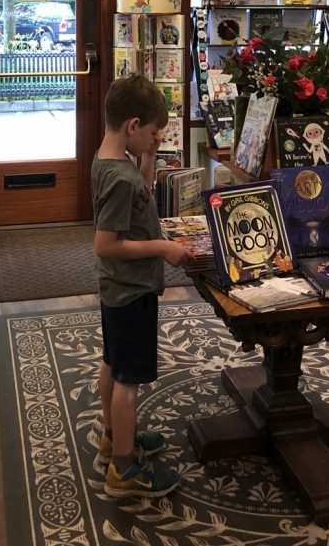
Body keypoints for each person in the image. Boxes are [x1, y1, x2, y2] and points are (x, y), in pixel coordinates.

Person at [93, 74, 194, 498]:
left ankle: (117, 439)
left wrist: (149, 162)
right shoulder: (120, 178)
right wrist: (162, 248)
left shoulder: (113, 162)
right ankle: (123, 469)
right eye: (154, 133)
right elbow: (106, 244)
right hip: (131, 290)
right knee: (128, 380)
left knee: (113, 363)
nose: (156, 138)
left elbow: (139, 202)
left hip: (119, 289)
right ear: (133, 125)